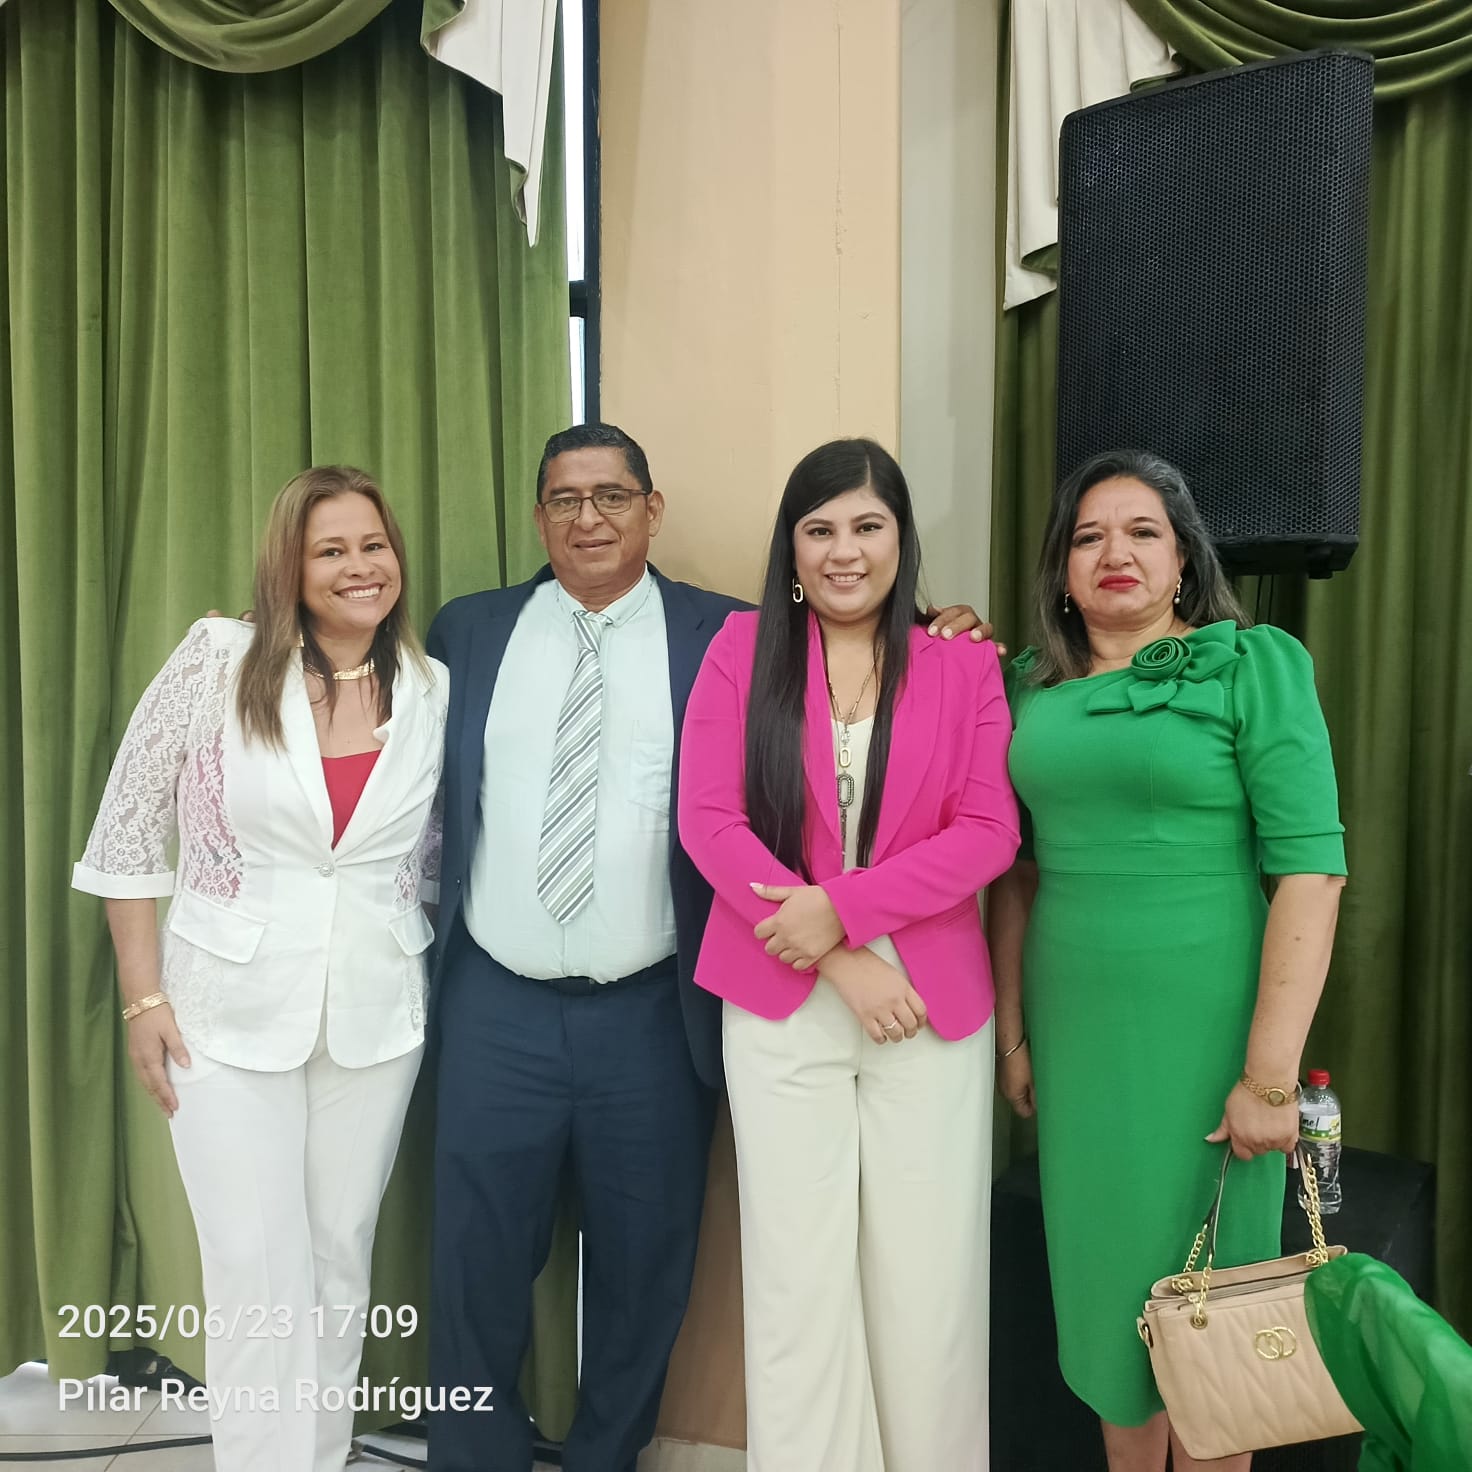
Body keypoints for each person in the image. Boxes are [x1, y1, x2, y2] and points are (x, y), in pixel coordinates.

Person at [424, 422, 991, 1472]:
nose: (588, 518)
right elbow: (364, 691)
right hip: (496, 1001)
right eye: (564, 499)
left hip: (652, 1006)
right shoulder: (469, 631)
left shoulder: (725, 633)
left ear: (652, 508)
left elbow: (871, 700)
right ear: (538, 515)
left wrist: (943, 623)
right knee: (473, 1259)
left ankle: (604, 1458)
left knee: (645, 1268)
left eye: (611, 495)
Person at [72, 466, 449, 1472]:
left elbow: (430, 856)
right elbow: (125, 829)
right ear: (289, 566)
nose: (359, 567)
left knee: (338, 1258)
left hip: (376, 1016)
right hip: (221, 1015)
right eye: (330, 550)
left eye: (373, 545)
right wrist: (143, 997)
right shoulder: (217, 657)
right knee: (252, 1267)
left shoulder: (431, 687)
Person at [987, 449, 1348, 1472]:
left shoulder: (1254, 665)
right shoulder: (1023, 688)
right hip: (1079, 1040)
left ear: (1184, 557)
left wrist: (1269, 1075)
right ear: (1061, 569)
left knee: (1212, 1328)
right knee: (1109, 1304)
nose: (1116, 552)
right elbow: (1013, 873)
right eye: (1088, 535)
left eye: (1143, 531)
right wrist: (1012, 1032)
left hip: (1209, 1032)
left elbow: (1310, 874)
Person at [676, 438, 1020, 1471]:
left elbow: (988, 832)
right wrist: (838, 954)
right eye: (819, 528)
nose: (843, 550)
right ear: (790, 549)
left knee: (930, 1286)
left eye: (868, 526)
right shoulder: (741, 650)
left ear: (901, 541)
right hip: (780, 997)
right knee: (796, 1284)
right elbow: (709, 819)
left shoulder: (964, 664)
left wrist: (844, 910)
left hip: (932, 1008)